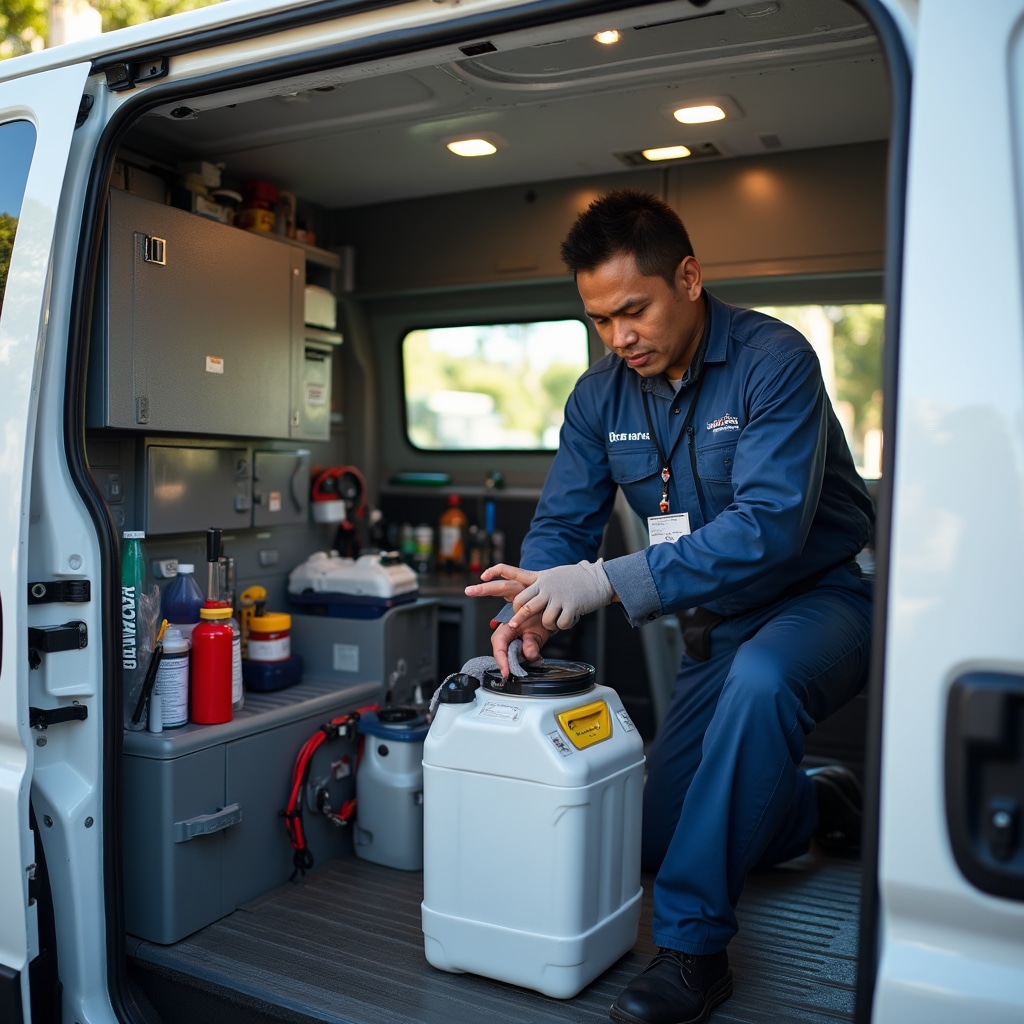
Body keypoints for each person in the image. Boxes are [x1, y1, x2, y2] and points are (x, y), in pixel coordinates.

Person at [465, 188, 874, 1024]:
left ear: (688, 277)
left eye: (633, 310)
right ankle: (813, 803)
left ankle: (693, 955)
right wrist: (532, 610)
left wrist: (606, 581)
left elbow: (768, 527)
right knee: (651, 841)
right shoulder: (598, 397)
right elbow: (561, 524)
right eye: (599, 320)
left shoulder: (775, 359)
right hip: (719, 622)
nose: (619, 337)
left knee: (763, 684)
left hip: (824, 597)